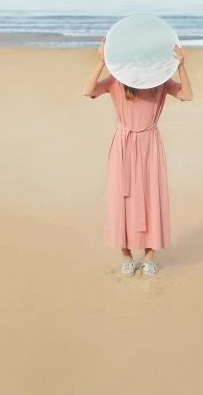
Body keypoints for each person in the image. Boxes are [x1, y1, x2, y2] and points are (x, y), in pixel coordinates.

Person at [83, 37, 193, 276]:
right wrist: (102, 62)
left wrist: (181, 66)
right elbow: (88, 90)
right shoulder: (116, 79)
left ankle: (150, 257)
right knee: (121, 198)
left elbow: (186, 95)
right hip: (123, 143)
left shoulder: (160, 80)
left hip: (150, 143)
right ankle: (126, 257)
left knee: (151, 197)